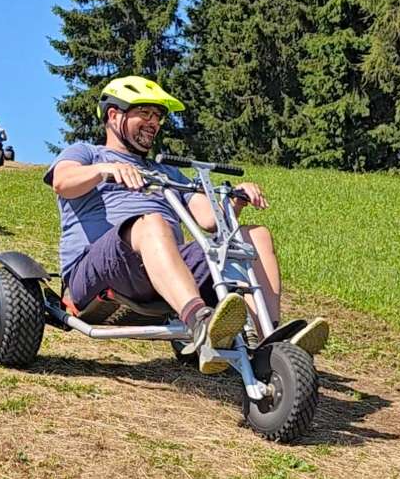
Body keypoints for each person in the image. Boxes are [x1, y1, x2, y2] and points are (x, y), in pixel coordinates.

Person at [44, 75, 328, 374]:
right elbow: (63, 182)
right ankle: (200, 325)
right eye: (145, 113)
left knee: (254, 236)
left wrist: (235, 200)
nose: (153, 123)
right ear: (114, 115)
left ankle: (268, 339)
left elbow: (208, 221)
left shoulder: (167, 172)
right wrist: (106, 170)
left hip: (163, 267)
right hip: (97, 271)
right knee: (152, 223)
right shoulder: (88, 153)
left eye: (158, 117)